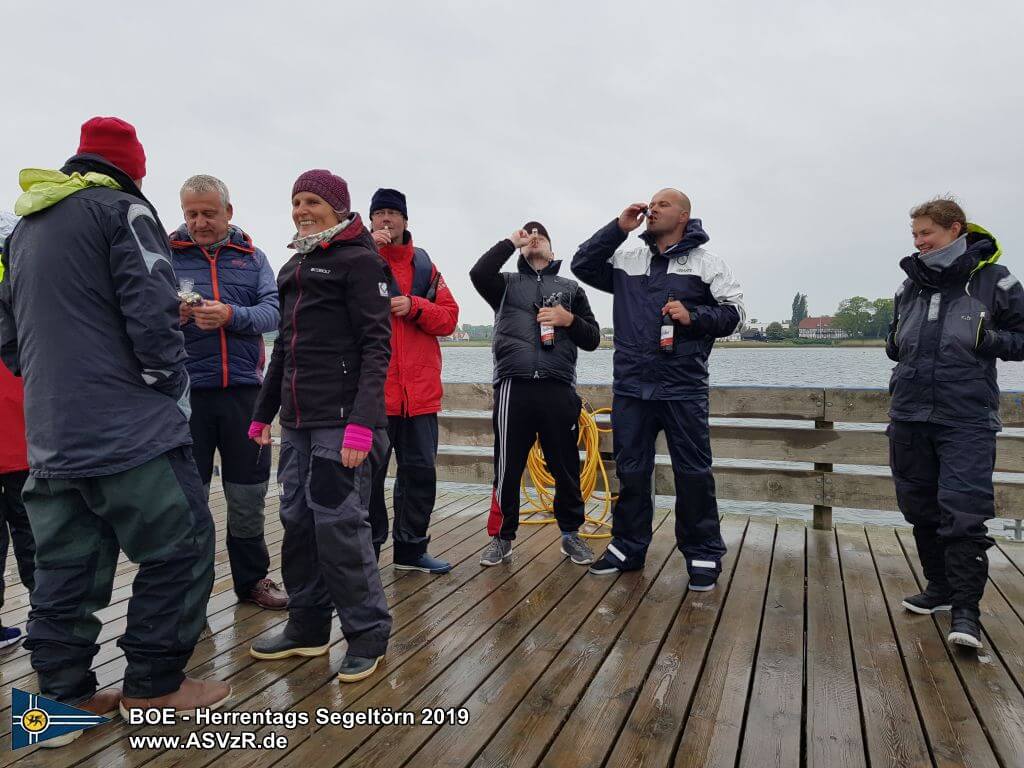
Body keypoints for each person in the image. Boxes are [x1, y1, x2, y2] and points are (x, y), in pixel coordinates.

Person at [0, 117, 229, 737]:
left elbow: (9, 338)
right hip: (130, 435)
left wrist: (56, 390)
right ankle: (156, 686)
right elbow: (153, 313)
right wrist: (166, 386)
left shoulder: (22, 230)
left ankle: (59, 702)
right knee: (181, 547)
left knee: (64, 570)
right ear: (133, 165)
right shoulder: (122, 210)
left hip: (51, 438)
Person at [248, 169, 393, 684]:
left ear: (337, 207)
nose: (302, 210)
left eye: (312, 201)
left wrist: (362, 424)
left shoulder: (360, 262)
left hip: (341, 423)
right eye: (295, 201)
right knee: (297, 521)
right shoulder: (295, 266)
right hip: (299, 423)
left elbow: (378, 348)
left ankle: (368, 634)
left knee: (340, 527)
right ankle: (307, 628)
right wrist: (263, 413)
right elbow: (283, 350)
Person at [572, 189, 745, 590]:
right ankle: (627, 547)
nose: (652, 208)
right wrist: (617, 229)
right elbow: (583, 263)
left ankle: (702, 552)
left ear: (683, 215)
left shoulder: (707, 263)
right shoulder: (627, 257)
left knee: (693, 474)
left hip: (683, 387)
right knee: (631, 471)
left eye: (662, 204)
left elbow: (735, 314)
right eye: (651, 203)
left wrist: (693, 314)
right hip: (632, 386)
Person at [886, 197, 1024, 649]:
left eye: (927, 233)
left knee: (963, 514)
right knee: (919, 507)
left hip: (965, 417)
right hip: (908, 412)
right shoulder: (910, 285)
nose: (920, 242)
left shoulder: (992, 279)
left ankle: (966, 610)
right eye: (915, 235)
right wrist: (895, 343)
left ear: (954, 229)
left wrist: (990, 340)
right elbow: (901, 336)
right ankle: (940, 589)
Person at [170, 175, 287, 610]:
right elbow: (141, 316)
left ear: (228, 213)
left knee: (248, 493)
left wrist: (231, 315)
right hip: (185, 396)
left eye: (208, 213)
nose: (199, 222)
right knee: (188, 501)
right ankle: (191, 593)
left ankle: (253, 580)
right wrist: (174, 314)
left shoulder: (253, 258)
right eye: (191, 213)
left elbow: (274, 313)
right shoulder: (164, 256)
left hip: (244, 394)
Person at [470, 222, 601, 567]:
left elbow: (592, 339)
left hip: (558, 387)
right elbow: (478, 271)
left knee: (566, 467)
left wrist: (567, 319)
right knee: (507, 467)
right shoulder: (505, 285)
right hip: (514, 385)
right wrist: (510, 242)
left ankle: (572, 534)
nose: (534, 237)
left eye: (540, 235)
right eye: (528, 236)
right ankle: (501, 537)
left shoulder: (571, 288)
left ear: (553, 251)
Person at [367, 188, 460, 573]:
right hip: (373, 395)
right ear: (370, 220)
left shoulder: (424, 265)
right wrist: (365, 250)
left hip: (420, 396)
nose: (386, 220)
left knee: (420, 475)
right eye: (380, 213)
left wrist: (414, 305)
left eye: (393, 213)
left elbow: (450, 317)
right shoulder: (356, 258)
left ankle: (410, 551)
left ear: (406, 220)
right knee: (367, 481)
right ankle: (366, 552)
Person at [0, 211, 36, 652]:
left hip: (27, 441)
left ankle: (43, 618)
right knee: (37, 543)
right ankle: (44, 621)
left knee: (36, 543)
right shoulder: (24, 295)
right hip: (28, 444)